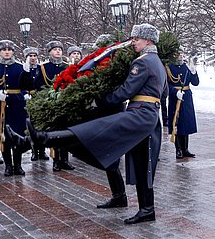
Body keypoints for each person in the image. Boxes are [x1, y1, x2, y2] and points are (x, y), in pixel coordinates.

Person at [8, 23, 166, 224]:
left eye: (137, 39)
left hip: (139, 114)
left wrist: (98, 101)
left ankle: (40, 139)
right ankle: (147, 209)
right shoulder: (156, 61)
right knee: (144, 163)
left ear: (148, 41)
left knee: (97, 131)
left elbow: (125, 91)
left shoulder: (142, 62)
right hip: (147, 115)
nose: (133, 42)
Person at [0, 40, 34, 176]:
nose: (7, 52)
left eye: (10, 50)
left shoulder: (20, 67)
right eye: (4, 50)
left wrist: (27, 73)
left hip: (16, 105)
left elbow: (27, 86)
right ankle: (8, 166)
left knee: (18, 135)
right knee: (3, 136)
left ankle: (18, 165)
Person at [40, 40, 74, 171]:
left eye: (60, 49)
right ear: (49, 52)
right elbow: (39, 86)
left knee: (65, 132)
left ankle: (65, 159)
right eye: (55, 49)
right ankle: (56, 160)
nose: (58, 51)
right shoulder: (43, 67)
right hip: (50, 102)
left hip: (65, 102)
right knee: (54, 132)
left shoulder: (67, 66)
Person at [166, 51, 199, 158]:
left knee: (186, 123)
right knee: (177, 123)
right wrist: (175, 92)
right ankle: (178, 149)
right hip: (175, 97)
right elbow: (166, 84)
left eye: (181, 54)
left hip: (186, 97)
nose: (180, 56)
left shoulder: (186, 67)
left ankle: (185, 149)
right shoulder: (169, 67)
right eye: (178, 54)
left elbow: (195, 83)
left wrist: (193, 72)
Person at [23, 47, 48, 162]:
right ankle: (34, 151)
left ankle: (42, 151)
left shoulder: (41, 68)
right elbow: (20, 84)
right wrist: (25, 93)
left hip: (40, 98)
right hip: (28, 99)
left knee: (41, 125)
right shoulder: (24, 69)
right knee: (31, 126)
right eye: (30, 56)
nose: (33, 58)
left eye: (34, 56)